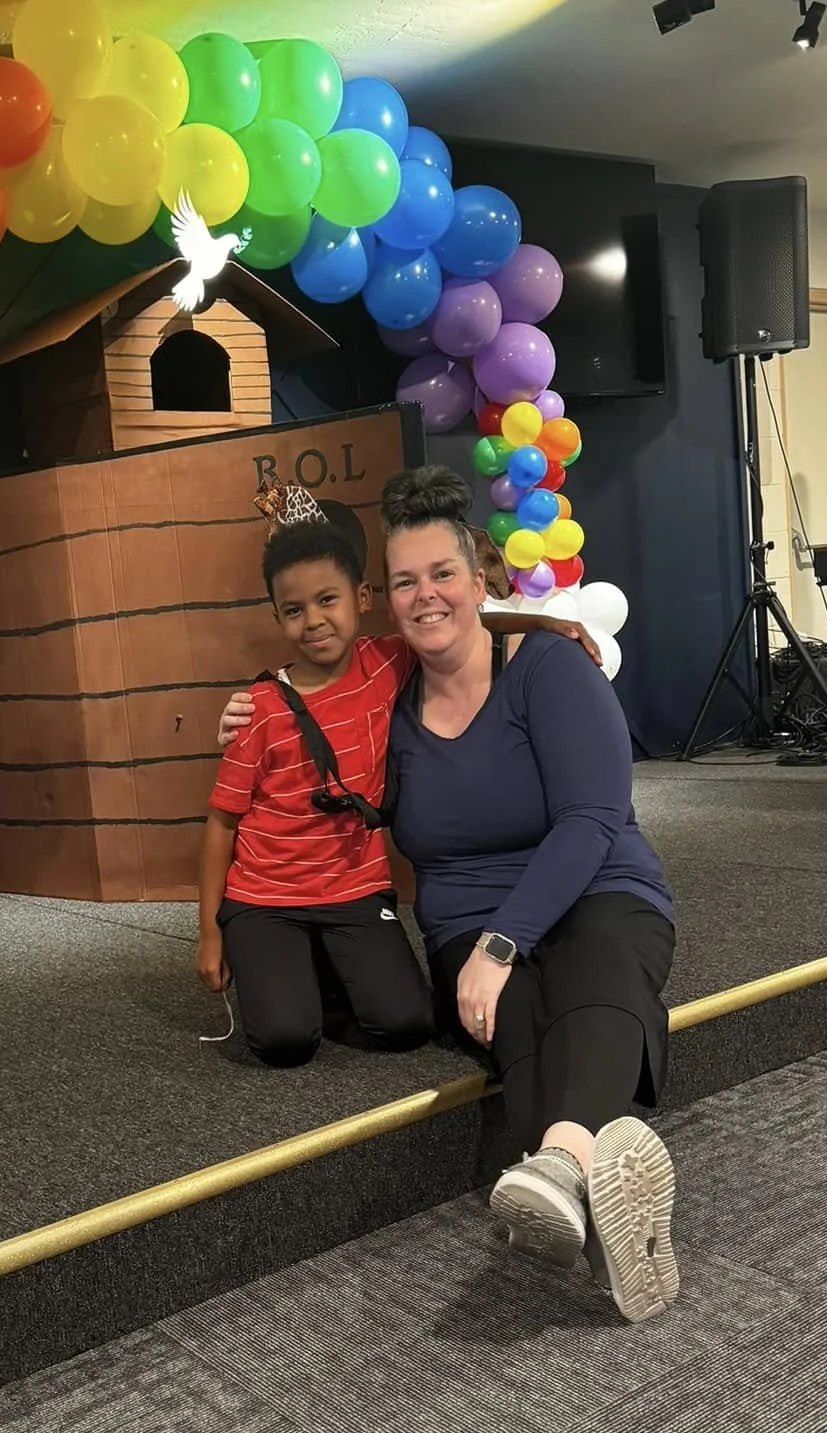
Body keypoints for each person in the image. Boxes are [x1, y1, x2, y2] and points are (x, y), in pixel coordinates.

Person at [219, 469, 679, 1324]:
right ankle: (599, 1186)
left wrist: (505, 944)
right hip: (463, 921)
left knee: (598, 966)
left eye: (441, 574)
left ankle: (563, 1162)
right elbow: (300, 717)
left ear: (480, 578)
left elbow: (590, 819)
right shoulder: (386, 701)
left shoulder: (550, 669)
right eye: (404, 582)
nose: (424, 595)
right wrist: (244, 718)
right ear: (386, 600)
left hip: (594, 884)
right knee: (523, 1019)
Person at [197, 488, 435, 1068]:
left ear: (361, 596)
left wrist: (555, 626)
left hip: (354, 888)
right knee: (284, 1043)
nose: (314, 621)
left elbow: (470, 629)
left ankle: (322, 966)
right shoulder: (259, 707)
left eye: (328, 600)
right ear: (277, 617)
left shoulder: (388, 661)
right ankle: (288, 968)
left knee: (406, 1025)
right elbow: (221, 823)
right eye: (294, 610)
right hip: (264, 896)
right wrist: (208, 933)